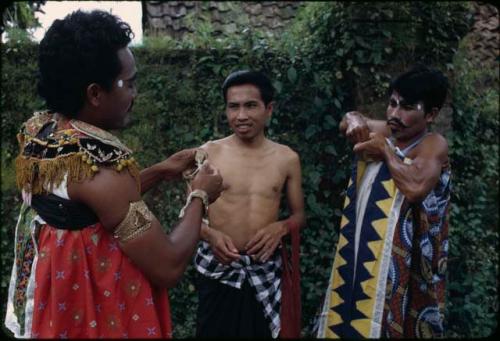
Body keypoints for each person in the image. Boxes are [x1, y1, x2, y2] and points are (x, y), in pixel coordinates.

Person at [4, 10, 223, 339]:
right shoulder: (101, 168)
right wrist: (200, 196)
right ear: (94, 93)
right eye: (130, 83)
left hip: (54, 310)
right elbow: (167, 265)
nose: (134, 94)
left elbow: (94, 209)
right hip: (95, 317)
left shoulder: (43, 133)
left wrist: (161, 171)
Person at [316, 64, 451, 338]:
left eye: (407, 107)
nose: (395, 114)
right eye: (392, 104)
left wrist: (386, 153)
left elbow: (414, 188)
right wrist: (354, 120)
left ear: (431, 114)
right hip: (365, 252)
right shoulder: (390, 131)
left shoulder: (433, 144)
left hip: (411, 264)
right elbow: (349, 121)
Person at [191, 70, 305, 338]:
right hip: (218, 271)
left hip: (265, 271)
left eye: (250, 105)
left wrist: (281, 227)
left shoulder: (287, 158)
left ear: (269, 109)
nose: (241, 116)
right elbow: (189, 215)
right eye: (234, 106)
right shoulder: (208, 153)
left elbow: (299, 216)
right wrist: (211, 234)